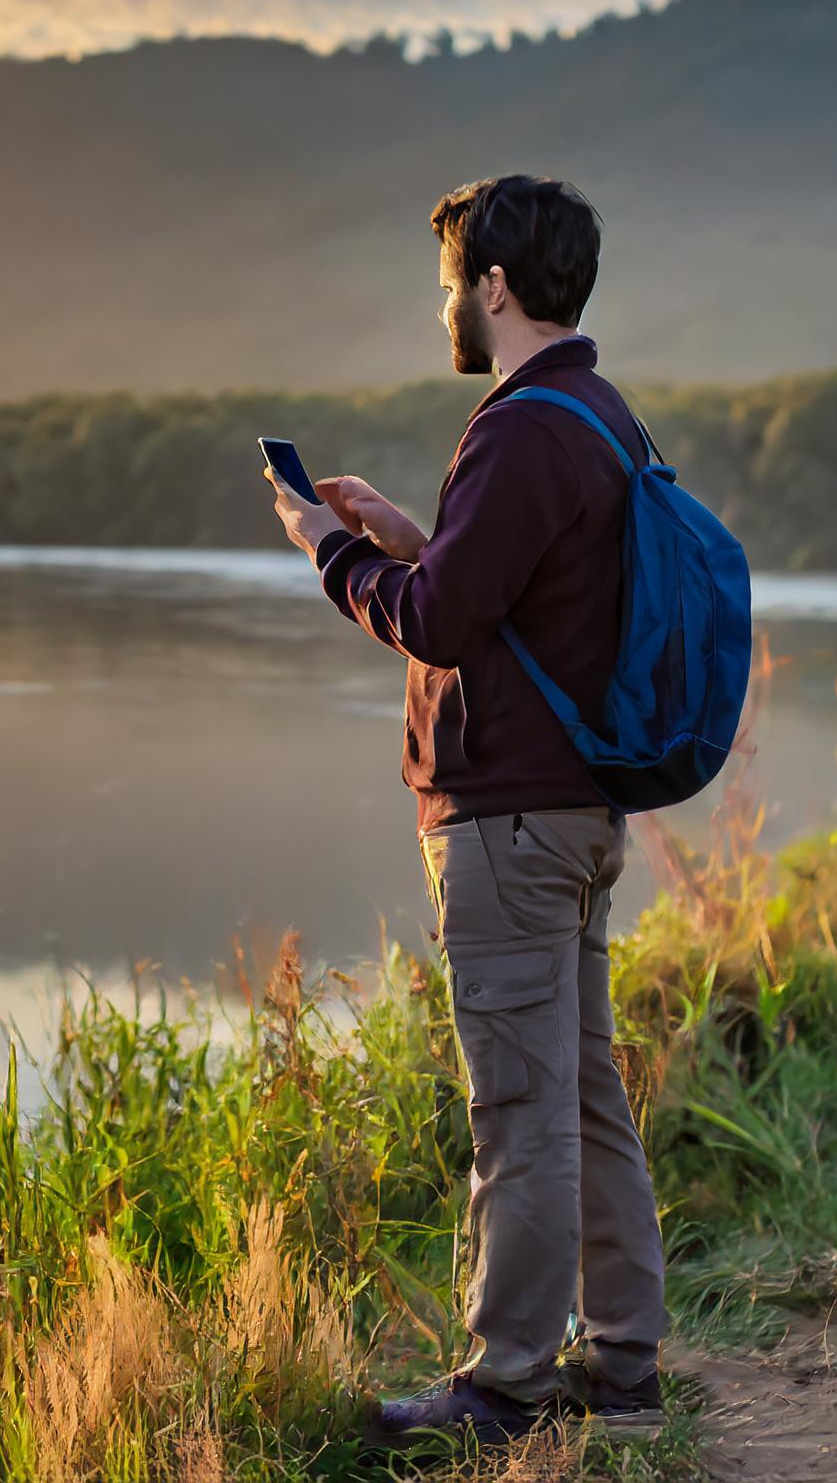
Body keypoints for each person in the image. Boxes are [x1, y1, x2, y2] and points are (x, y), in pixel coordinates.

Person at [267, 174, 668, 1443]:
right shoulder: (600, 416)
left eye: (451, 277)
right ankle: (623, 1372)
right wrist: (405, 532)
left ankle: (505, 1388)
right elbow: (508, 595)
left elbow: (440, 622)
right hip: (580, 814)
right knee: (586, 1096)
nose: (444, 299)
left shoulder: (520, 426)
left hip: (507, 821)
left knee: (521, 1109)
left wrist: (331, 555)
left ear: (494, 286)